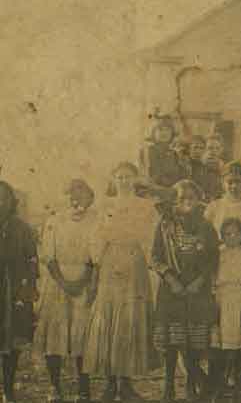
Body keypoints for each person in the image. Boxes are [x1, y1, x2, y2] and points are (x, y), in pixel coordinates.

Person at [83, 162, 159, 402]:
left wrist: (148, 263)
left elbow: (151, 237)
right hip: (110, 261)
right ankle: (109, 383)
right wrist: (99, 260)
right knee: (109, 318)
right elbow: (96, 235)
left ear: (136, 179)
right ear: (113, 179)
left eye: (128, 177)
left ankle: (125, 382)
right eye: (120, 177)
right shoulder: (105, 205)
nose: (124, 181)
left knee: (129, 319)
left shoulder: (146, 206)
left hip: (135, 263)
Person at [151, 180, 220, 403]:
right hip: (172, 291)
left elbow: (212, 258)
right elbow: (156, 257)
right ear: (175, 201)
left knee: (193, 341)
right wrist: (171, 278)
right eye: (182, 198)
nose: (187, 202)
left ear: (199, 200)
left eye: (191, 197)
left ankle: (192, 384)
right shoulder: (164, 226)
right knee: (172, 341)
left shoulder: (206, 226)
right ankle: (169, 385)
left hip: (196, 291)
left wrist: (199, 281)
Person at [35, 180, 98, 403]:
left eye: (81, 196)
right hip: (57, 282)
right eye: (71, 195)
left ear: (90, 198)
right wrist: (63, 282)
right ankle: (55, 386)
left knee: (82, 334)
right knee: (55, 334)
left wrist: (83, 281)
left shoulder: (95, 220)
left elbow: (96, 255)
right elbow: (49, 256)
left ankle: (83, 387)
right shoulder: (54, 221)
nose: (76, 200)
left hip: (84, 280)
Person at [0, 181, 39, 403]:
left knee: (12, 341)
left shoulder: (22, 229)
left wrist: (28, 286)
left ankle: (8, 389)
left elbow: (32, 260)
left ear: (11, 201)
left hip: (14, 291)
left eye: (3, 197)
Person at [209, 218, 241, 402]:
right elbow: (213, 282)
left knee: (238, 346)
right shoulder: (218, 255)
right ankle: (220, 385)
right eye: (227, 234)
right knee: (222, 346)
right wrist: (214, 305)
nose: (231, 237)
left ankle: (240, 384)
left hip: (240, 299)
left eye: (235, 234)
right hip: (222, 299)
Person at [139, 116, 185, 189]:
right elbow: (147, 175)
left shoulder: (175, 153)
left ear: (172, 133)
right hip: (152, 190)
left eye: (167, 130)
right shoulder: (147, 151)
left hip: (172, 190)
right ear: (153, 132)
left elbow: (179, 176)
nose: (164, 133)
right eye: (160, 129)